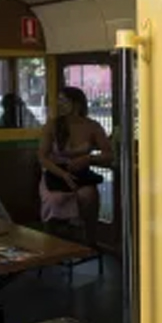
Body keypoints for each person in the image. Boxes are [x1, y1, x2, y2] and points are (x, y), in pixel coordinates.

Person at [38, 86, 113, 246]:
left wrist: (88, 159)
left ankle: (88, 242)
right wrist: (63, 174)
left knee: (89, 196)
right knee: (55, 200)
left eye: (64, 101)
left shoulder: (93, 126)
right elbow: (42, 157)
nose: (60, 105)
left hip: (81, 174)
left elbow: (108, 154)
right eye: (58, 101)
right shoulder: (53, 125)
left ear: (77, 104)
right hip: (55, 174)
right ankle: (52, 243)